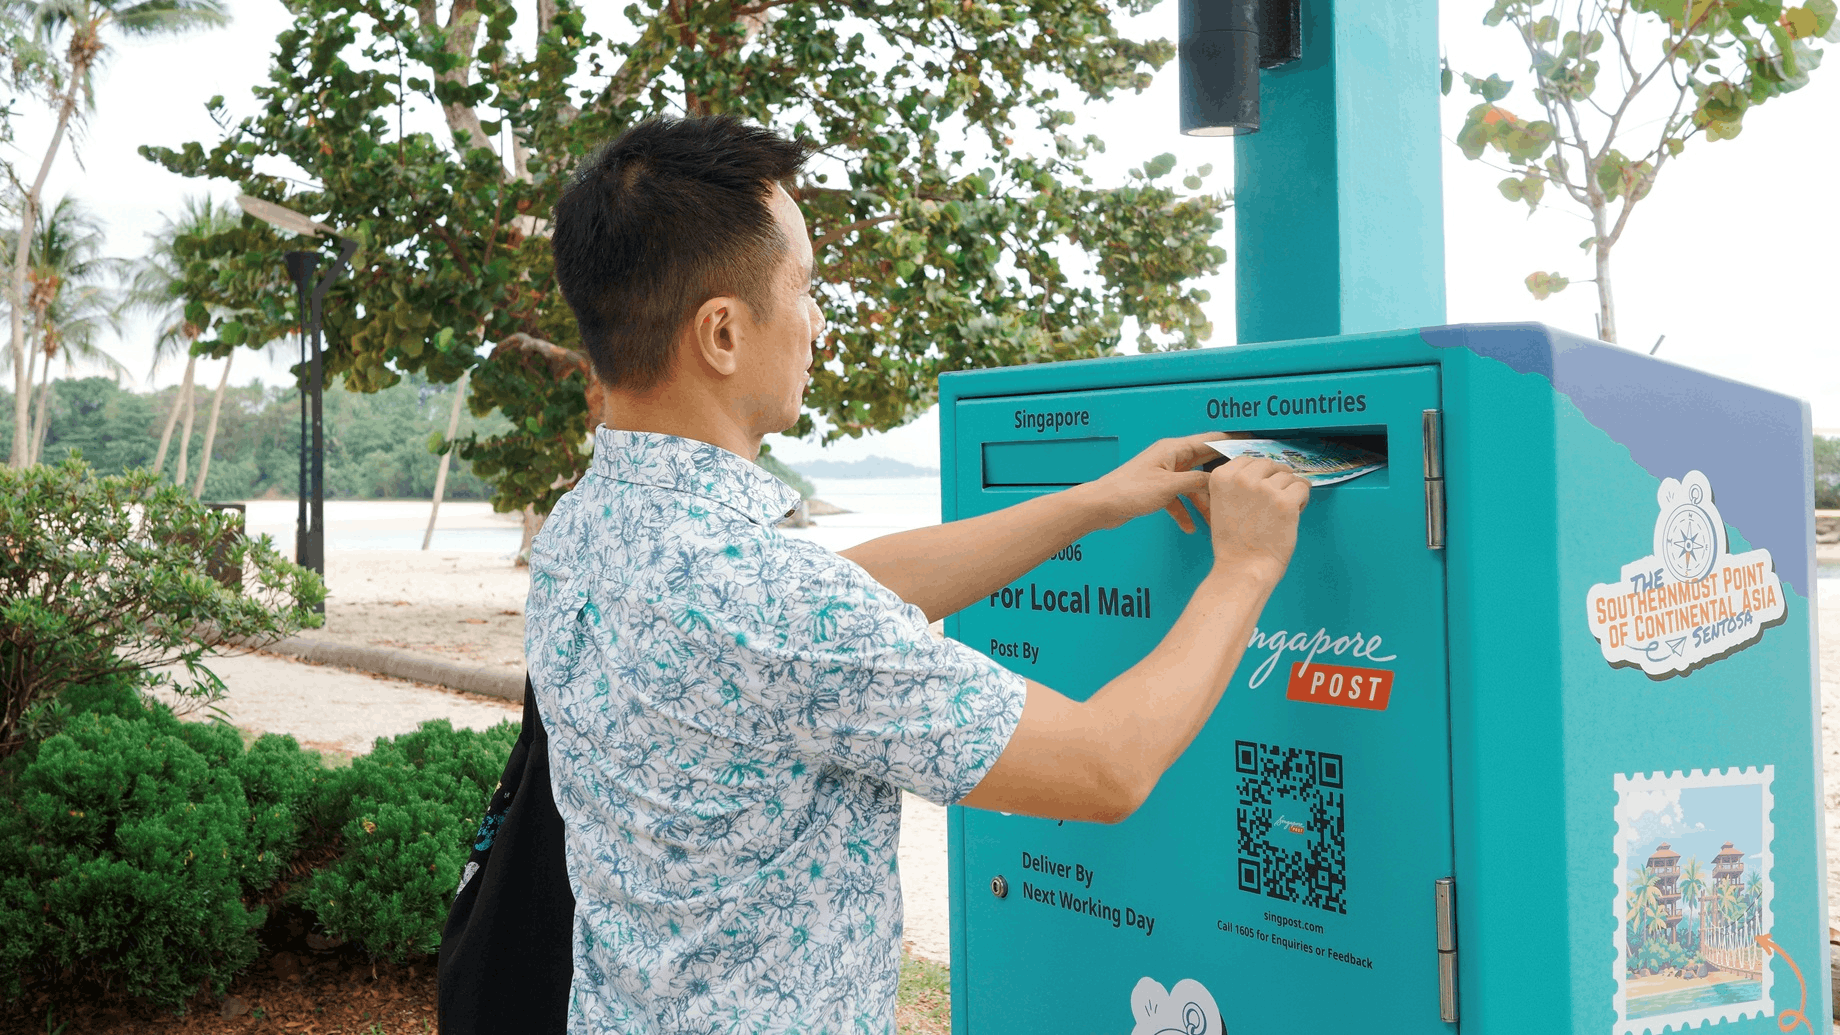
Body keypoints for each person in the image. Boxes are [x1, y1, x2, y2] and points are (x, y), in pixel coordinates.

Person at [527, 114, 1310, 1034]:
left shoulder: (590, 524)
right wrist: (1247, 565)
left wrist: (1092, 502)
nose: (816, 322)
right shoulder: (771, 605)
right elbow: (1108, 766)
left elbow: (829, 603)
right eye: (805, 288)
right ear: (724, 332)